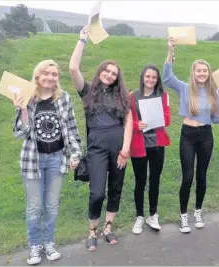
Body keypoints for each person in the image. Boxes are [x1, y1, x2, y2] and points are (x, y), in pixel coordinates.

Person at [69, 26, 133, 250]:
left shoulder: (121, 96)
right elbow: (73, 68)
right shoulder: (86, 91)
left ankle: (108, 228)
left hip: (118, 148)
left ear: (117, 78)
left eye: (114, 73)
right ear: (100, 72)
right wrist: (82, 40)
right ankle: (92, 231)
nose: (109, 75)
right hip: (96, 148)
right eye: (106, 71)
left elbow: (129, 122)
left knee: (115, 189)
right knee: (97, 193)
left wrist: (125, 149)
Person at [13, 59, 82, 265]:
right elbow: (20, 132)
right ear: (38, 76)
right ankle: (35, 246)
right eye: (46, 73)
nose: (50, 77)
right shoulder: (28, 99)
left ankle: (49, 242)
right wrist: (23, 110)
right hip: (32, 160)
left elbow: (71, 128)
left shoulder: (64, 98)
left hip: (57, 159)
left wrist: (75, 153)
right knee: (34, 206)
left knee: (51, 205)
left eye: (54, 74)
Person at [163, 37, 219, 233]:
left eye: (205, 71)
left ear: (209, 73)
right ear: (193, 72)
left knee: (202, 176)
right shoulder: (184, 88)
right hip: (188, 135)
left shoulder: (214, 92)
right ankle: (183, 215)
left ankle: (198, 210)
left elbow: (216, 119)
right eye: (198, 70)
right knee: (188, 177)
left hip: (206, 135)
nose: (202, 73)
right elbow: (166, 78)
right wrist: (170, 52)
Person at [129, 64, 171, 234]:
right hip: (139, 145)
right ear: (143, 77)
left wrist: (158, 118)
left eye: (154, 77)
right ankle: (139, 216)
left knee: (155, 180)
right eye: (148, 76)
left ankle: (153, 215)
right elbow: (126, 121)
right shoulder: (132, 96)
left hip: (157, 145)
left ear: (157, 79)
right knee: (140, 181)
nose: (150, 80)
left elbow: (167, 119)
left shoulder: (163, 95)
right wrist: (136, 124)